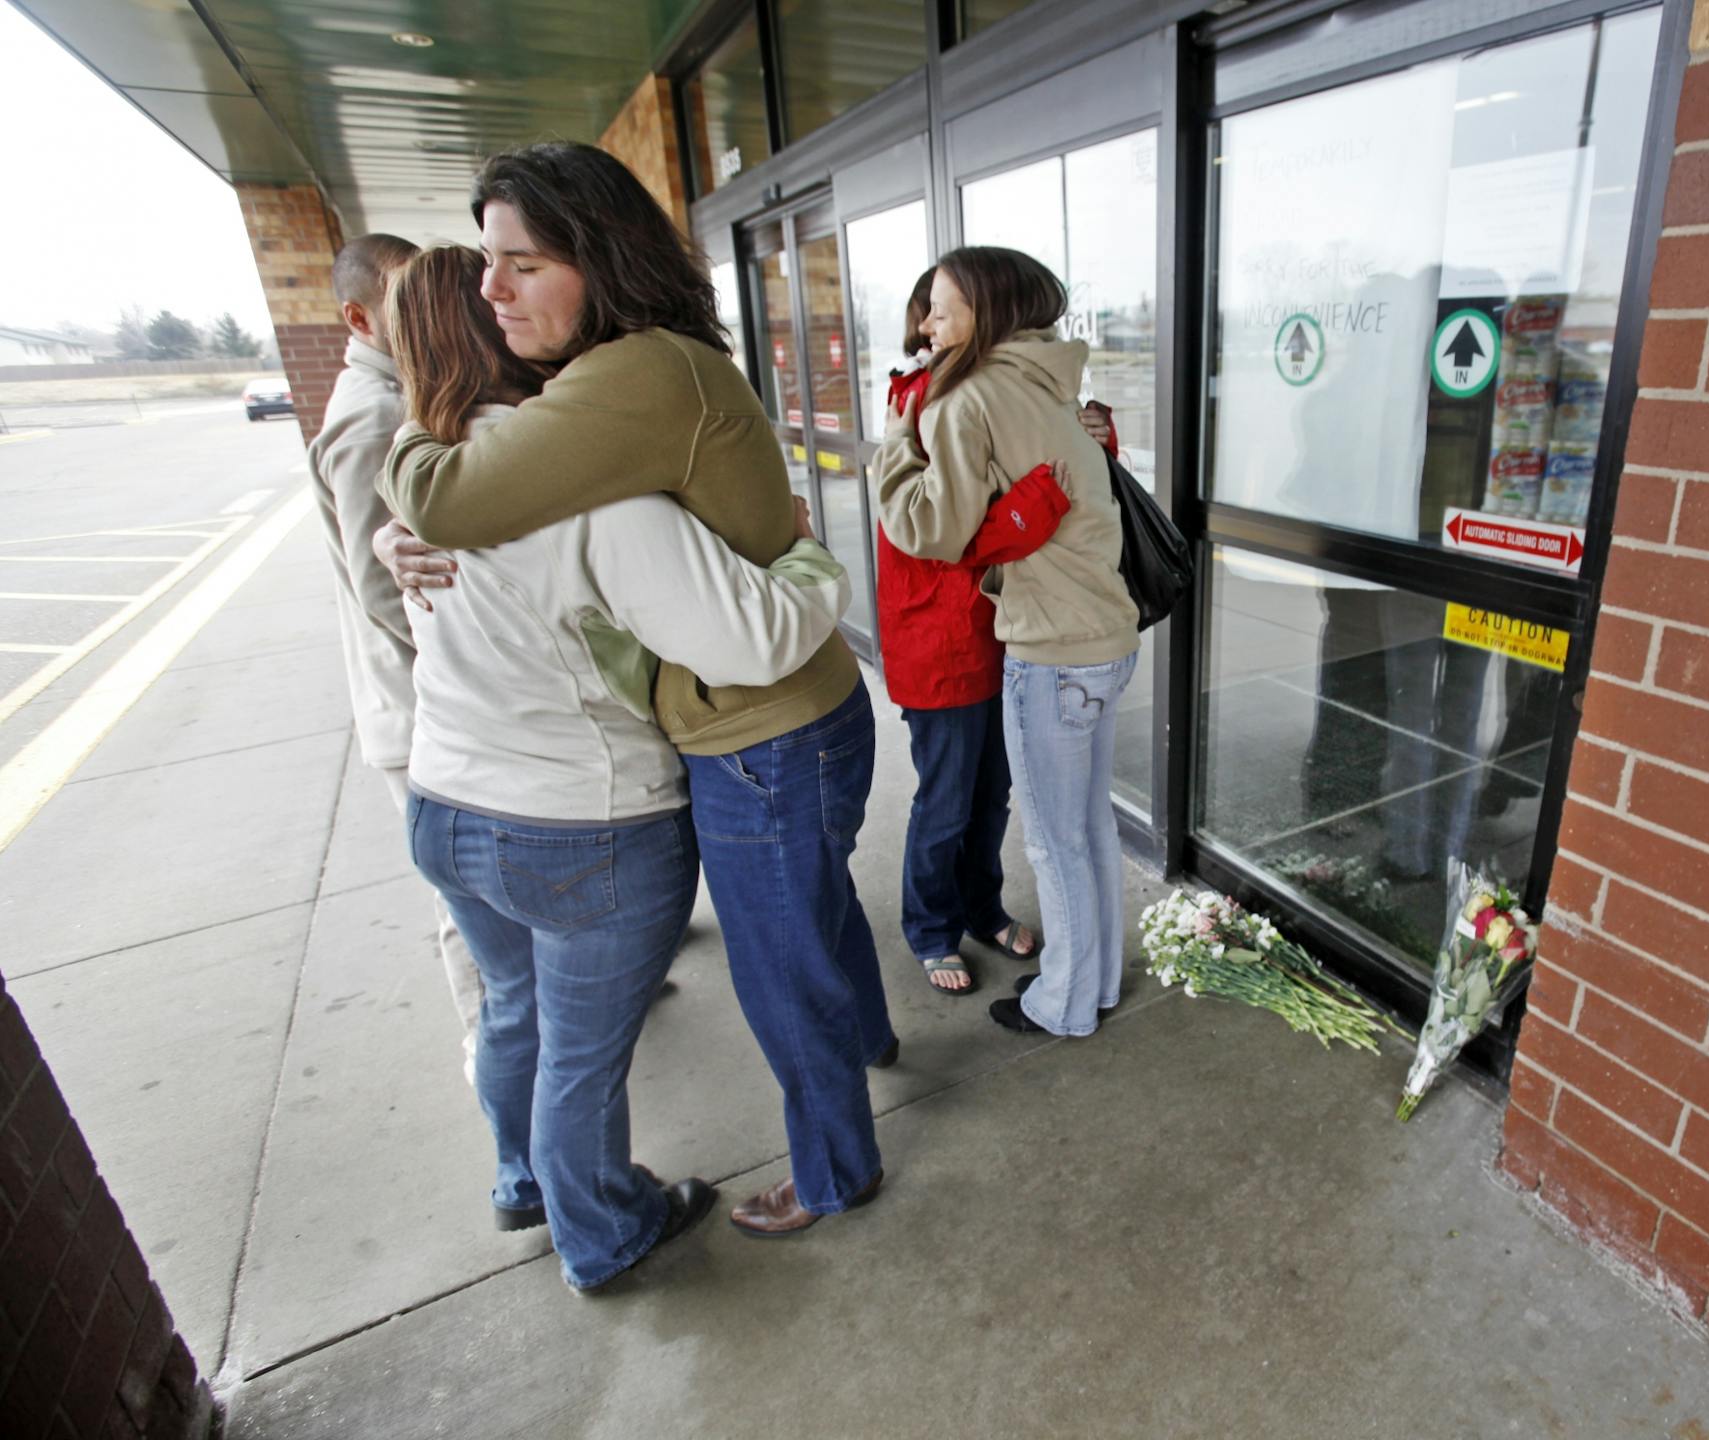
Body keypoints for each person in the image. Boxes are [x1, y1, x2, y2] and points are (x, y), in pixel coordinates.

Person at [375, 141, 891, 1238]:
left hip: (762, 731)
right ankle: (874, 1041)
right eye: (485, 265)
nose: (491, 288)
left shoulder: (630, 376)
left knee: (780, 971)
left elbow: (458, 495)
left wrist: (404, 459)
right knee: (817, 916)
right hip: (797, 715)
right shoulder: (650, 366)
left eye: (520, 263)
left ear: (596, 258)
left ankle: (838, 1170)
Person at [875, 247, 1141, 1039]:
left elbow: (929, 527)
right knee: (1087, 827)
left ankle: (1062, 1004)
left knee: (1055, 845)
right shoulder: (1052, 384)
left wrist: (892, 446)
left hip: (1046, 647)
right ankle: (1095, 984)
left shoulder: (966, 400)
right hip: (1104, 638)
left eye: (943, 303)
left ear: (983, 310)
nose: (928, 321)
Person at [306, 231, 487, 1084]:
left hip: (443, 709)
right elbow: (385, 592)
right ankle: (498, 1075)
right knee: (471, 906)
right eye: (404, 299)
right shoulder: (374, 416)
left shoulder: (409, 396)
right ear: (360, 317)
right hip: (422, 718)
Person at [876, 267, 1072, 997]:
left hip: (998, 628)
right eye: (927, 312)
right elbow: (941, 534)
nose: (930, 326)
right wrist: (1039, 498)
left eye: (942, 311)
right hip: (941, 634)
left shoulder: (995, 392)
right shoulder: (925, 401)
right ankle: (930, 927)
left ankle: (981, 907)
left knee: (992, 793)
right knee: (948, 795)